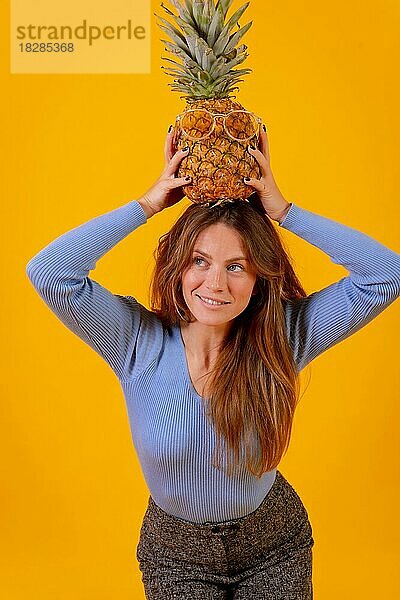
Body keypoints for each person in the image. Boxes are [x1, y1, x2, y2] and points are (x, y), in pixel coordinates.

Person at [26, 125, 400, 599]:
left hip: (273, 545)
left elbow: (386, 275)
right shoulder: (135, 340)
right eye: (200, 261)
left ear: (258, 277)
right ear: (178, 265)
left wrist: (285, 213)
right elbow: (49, 273)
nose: (215, 284)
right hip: (176, 556)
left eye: (236, 266)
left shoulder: (281, 338)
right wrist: (148, 205)